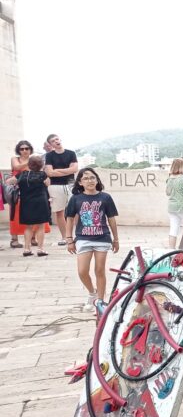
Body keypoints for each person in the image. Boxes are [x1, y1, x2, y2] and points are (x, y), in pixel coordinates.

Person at [65, 167, 119, 311]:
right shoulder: (75, 199)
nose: (89, 181)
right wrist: (69, 239)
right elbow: (69, 219)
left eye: (92, 177)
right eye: (85, 178)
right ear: (80, 182)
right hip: (83, 238)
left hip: (102, 238)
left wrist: (116, 239)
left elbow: (111, 219)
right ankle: (92, 293)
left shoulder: (105, 197)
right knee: (82, 271)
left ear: (97, 180)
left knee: (99, 270)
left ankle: (100, 302)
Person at [8, 140, 49, 248]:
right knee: (15, 216)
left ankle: (33, 238)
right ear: (18, 150)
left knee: (35, 217)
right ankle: (14, 239)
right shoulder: (15, 159)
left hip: (32, 191)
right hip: (17, 191)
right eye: (22, 149)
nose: (24, 150)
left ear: (30, 149)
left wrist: (34, 162)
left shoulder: (33, 160)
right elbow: (17, 167)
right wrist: (33, 162)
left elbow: (41, 173)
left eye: (27, 148)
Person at [43, 133, 78, 246]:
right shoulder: (49, 156)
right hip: (55, 186)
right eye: (53, 141)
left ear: (60, 139)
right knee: (59, 212)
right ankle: (65, 237)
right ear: (51, 144)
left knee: (76, 211)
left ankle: (78, 235)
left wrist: (57, 171)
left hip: (71, 185)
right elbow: (49, 173)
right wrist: (67, 170)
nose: (56, 141)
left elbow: (75, 169)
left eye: (57, 139)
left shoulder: (71, 153)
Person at [15, 155, 52, 257]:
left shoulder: (22, 174)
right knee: (41, 226)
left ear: (29, 164)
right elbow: (48, 184)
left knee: (28, 226)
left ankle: (27, 249)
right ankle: (40, 249)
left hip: (26, 203)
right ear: (41, 165)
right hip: (40, 202)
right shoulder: (43, 175)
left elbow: (9, 181)